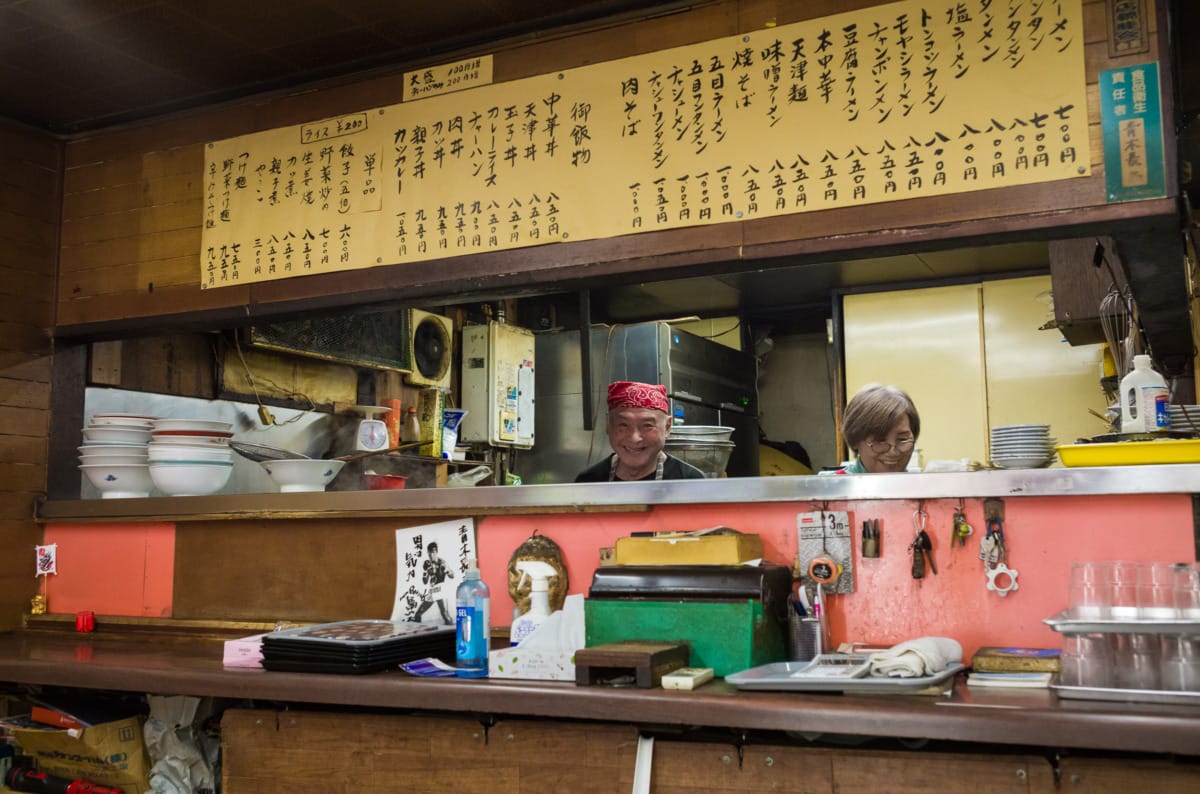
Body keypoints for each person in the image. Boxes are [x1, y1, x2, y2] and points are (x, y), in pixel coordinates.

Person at [575, 381, 706, 482]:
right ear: (608, 425)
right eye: (624, 425)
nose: (634, 438)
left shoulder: (691, 481)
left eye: (647, 425)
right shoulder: (588, 482)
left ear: (667, 427)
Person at [837, 384, 920, 474]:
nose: (893, 452)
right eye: (880, 440)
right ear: (855, 440)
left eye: (902, 439)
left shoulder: (921, 486)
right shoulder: (836, 486)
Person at [413, 542, 454, 624]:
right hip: (432, 592)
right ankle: (418, 635)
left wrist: (447, 570)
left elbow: (452, 575)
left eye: (432, 552)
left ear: (436, 552)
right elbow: (425, 581)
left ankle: (452, 634)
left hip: (441, 591)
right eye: (429, 553)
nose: (431, 555)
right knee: (418, 614)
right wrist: (426, 571)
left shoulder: (442, 562)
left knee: (445, 614)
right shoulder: (428, 564)